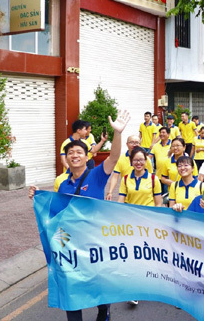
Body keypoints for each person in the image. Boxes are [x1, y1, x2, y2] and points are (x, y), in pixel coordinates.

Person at [29, 109, 130, 321]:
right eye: (70, 153)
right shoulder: (62, 184)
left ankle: (104, 310)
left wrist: (117, 134)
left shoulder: (96, 175)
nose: (74, 155)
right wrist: (37, 197)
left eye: (79, 152)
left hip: (97, 243)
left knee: (100, 286)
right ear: (66, 157)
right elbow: (56, 214)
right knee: (72, 290)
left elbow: (113, 158)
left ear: (87, 157)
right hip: (72, 246)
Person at [106, 135, 153, 201]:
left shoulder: (146, 159)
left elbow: (151, 177)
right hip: (127, 195)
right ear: (127, 144)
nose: (134, 144)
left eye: (137, 142)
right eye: (131, 142)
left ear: (140, 144)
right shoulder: (121, 159)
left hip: (143, 195)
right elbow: (115, 176)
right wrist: (110, 192)